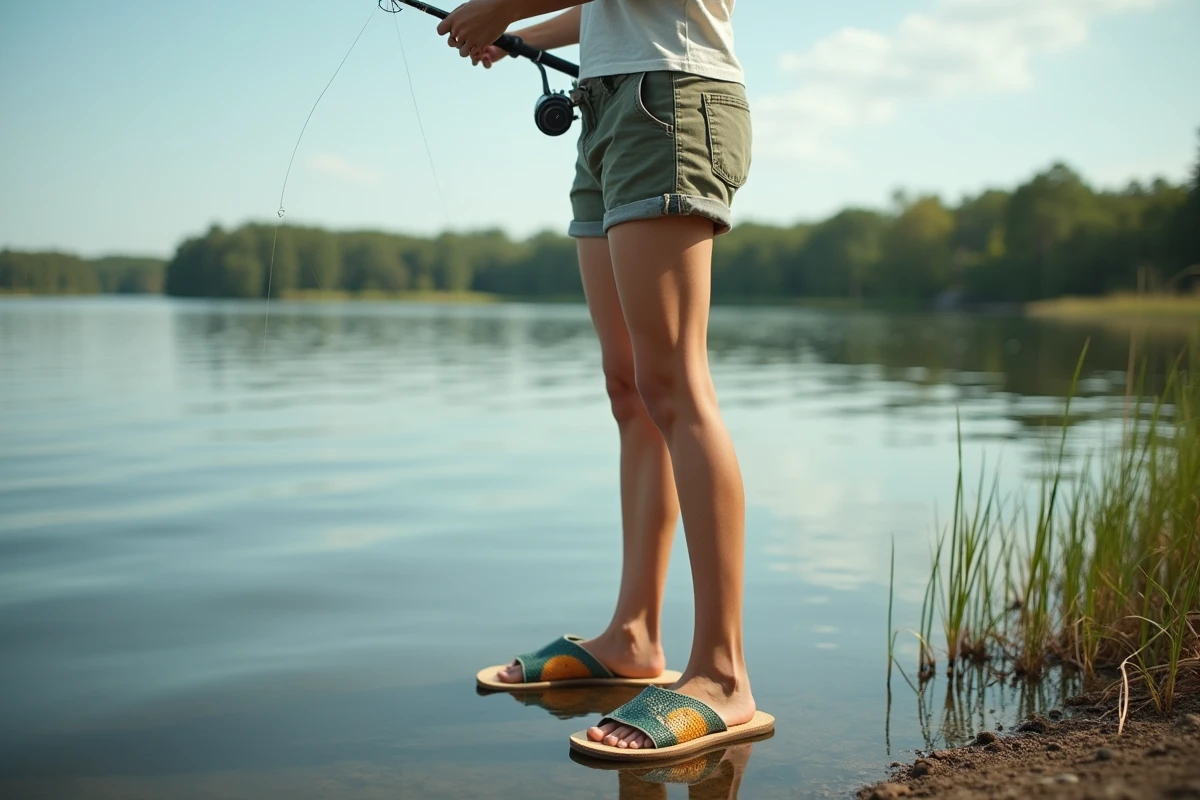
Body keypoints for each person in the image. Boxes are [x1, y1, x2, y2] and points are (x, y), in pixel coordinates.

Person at [440, 0, 770, 755]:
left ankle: (723, 674)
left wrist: (498, 8)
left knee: (675, 386)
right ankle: (634, 636)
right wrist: (520, 35)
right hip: (605, 104)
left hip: (671, 99)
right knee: (631, 388)